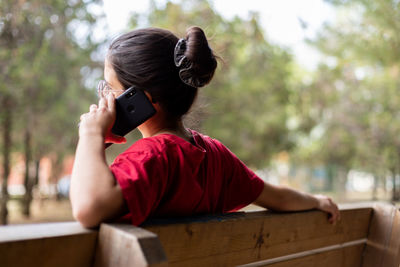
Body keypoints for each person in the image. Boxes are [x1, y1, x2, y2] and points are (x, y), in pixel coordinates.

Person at [70, 26, 340, 228]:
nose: (103, 97)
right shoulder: (215, 156)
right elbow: (277, 197)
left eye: (108, 87)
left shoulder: (152, 157)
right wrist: (316, 201)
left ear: (142, 98)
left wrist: (90, 135)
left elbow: (88, 208)